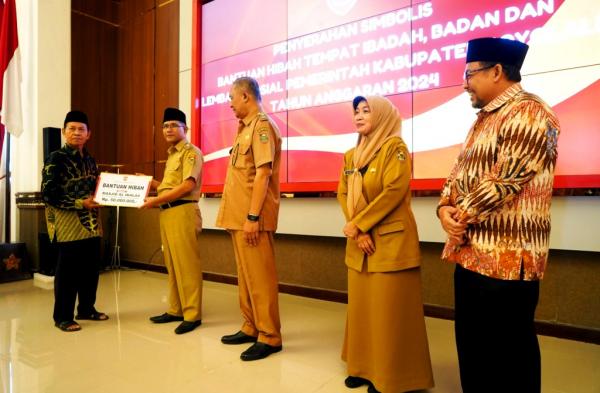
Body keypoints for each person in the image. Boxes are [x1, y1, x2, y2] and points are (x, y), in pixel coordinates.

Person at [437, 37, 560, 393]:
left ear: (496, 71)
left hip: (508, 261)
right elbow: (458, 173)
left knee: (509, 357)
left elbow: (506, 179)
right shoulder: (482, 121)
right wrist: (444, 207)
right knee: (474, 353)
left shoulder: (531, 112)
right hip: (470, 255)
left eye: (469, 74)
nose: (463, 84)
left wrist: (457, 216)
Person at [337, 95, 434, 393]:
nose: (359, 115)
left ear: (382, 116)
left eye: (366, 110)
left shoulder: (396, 148)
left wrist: (360, 224)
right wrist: (358, 231)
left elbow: (393, 192)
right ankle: (363, 367)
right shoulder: (351, 155)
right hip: (360, 243)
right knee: (363, 311)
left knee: (389, 313)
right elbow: (343, 193)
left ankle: (392, 377)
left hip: (390, 243)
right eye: (356, 111)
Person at [216, 76, 283, 361]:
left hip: (251, 217)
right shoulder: (243, 129)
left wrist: (253, 216)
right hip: (237, 217)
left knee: (260, 277)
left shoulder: (262, 126)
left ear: (245, 96)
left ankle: (270, 336)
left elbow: (264, 173)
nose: (229, 104)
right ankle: (251, 326)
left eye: (232, 98)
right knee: (245, 276)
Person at [41, 110, 108, 332]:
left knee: (90, 269)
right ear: (63, 132)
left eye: (81, 129)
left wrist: (106, 194)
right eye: (72, 128)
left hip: (91, 223)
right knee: (68, 272)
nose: (77, 133)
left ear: (89, 134)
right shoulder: (56, 158)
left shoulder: (90, 159)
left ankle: (86, 309)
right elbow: (49, 194)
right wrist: (80, 203)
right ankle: (62, 316)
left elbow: (95, 188)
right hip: (68, 224)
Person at [141, 107, 204, 335]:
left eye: (173, 125)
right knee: (172, 264)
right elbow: (170, 187)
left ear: (185, 128)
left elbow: (187, 186)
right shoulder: (172, 154)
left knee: (186, 265)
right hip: (167, 213)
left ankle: (192, 314)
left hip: (183, 212)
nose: (168, 129)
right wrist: (151, 183)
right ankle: (176, 309)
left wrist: (154, 200)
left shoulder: (190, 152)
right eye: (165, 125)